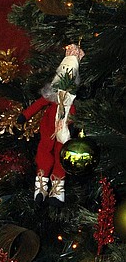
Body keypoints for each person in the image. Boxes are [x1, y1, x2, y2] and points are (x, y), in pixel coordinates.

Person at [23, 44, 84, 202]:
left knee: (60, 155)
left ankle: (58, 188)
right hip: (47, 130)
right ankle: (41, 183)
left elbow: (75, 116)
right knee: (44, 153)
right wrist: (24, 115)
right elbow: (38, 104)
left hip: (63, 133)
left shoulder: (71, 102)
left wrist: (71, 122)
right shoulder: (51, 96)